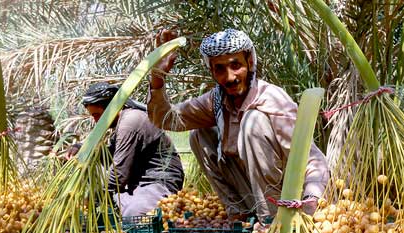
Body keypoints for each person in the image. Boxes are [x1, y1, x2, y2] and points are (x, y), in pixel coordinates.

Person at [147, 29, 329, 222]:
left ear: (250, 62)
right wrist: (158, 77)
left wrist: (310, 200)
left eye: (236, 65)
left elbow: (311, 159)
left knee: (254, 122)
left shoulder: (271, 99)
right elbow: (167, 119)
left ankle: (271, 220)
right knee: (200, 135)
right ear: (212, 71)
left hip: (287, 200)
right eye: (220, 69)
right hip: (250, 194)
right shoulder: (215, 101)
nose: (230, 77)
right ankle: (239, 215)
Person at [69, 82, 184, 216]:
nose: (96, 121)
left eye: (97, 115)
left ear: (111, 109)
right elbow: (108, 155)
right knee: (121, 209)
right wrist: (80, 148)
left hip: (159, 182)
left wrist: (93, 198)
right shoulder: (122, 122)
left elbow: (118, 176)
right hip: (139, 184)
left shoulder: (130, 122)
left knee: (134, 214)